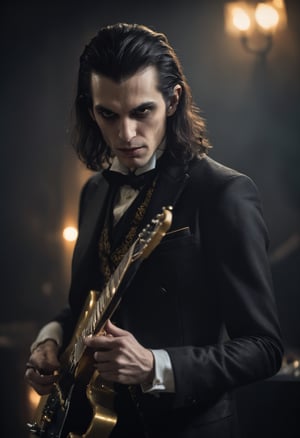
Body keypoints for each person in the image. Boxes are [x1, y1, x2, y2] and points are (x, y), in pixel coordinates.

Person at [25, 22, 283, 438]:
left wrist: (154, 366)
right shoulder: (93, 191)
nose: (125, 134)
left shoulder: (223, 193)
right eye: (108, 114)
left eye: (142, 111)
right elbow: (85, 303)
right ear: (90, 108)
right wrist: (49, 341)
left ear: (173, 99)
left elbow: (263, 348)